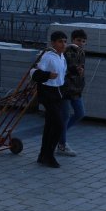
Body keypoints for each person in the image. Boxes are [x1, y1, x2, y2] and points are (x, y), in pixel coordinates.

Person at [31, 31, 68, 169]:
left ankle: (43, 155)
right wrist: (47, 75)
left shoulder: (62, 56)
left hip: (58, 93)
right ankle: (49, 155)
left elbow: (62, 74)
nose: (63, 44)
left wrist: (76, 71)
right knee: (58, 125)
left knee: (50, 124)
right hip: (47, 93)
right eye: (60, 41)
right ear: (53, 43)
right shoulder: (48, 56)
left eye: (65, 41)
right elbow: (34, 73)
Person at [57, 29, 88, 158]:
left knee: (80, 113)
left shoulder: (81, 52)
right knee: (65, 116)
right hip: (65, 88)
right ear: (73, 40)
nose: (81, 43)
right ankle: (62, 144)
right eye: (78, 40)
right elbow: (69, 67)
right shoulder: (68, 50)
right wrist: (76, 71)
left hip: (76, 88)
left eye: (83, 41)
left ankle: (58, 135)